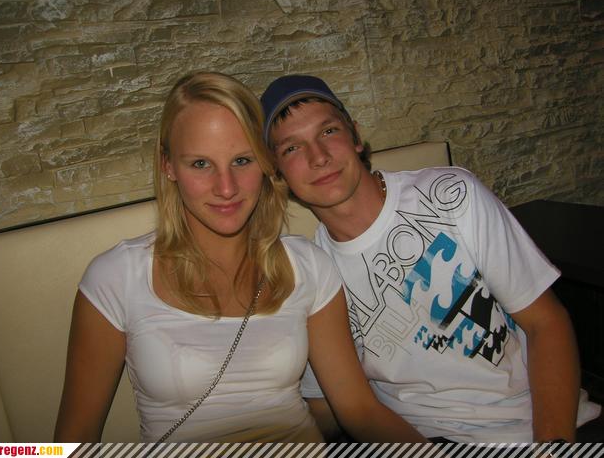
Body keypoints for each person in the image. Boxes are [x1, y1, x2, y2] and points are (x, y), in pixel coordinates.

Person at [54, 71, 428, 443]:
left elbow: (359, 411)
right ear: (168, 165)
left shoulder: (308, 266)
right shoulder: (117, 277)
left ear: (265, 164)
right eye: (201, 164)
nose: (226, 188)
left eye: (242, 160)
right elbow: (70, 444)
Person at [260, 74, 601, 443]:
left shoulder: (450, 194)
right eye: (291, 148)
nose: (319, 157)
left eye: (328, 131)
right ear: (278, 174)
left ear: (355, 135)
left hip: (551, 422)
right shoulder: (312, 274)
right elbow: (339, 409)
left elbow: (545, 322)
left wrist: (552, 447)